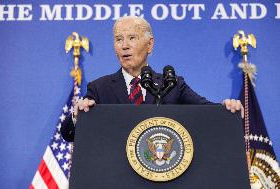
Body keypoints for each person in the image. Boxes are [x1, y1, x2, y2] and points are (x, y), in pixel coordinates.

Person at [60, 16, 244, 142]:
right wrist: (77, 116)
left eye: (132, 38)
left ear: (149, 44)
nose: (124, 46)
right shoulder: (100, 88)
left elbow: (207, 113)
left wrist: (227, 108)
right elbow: (69, 134)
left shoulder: (172, 84)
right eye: (118, 39)